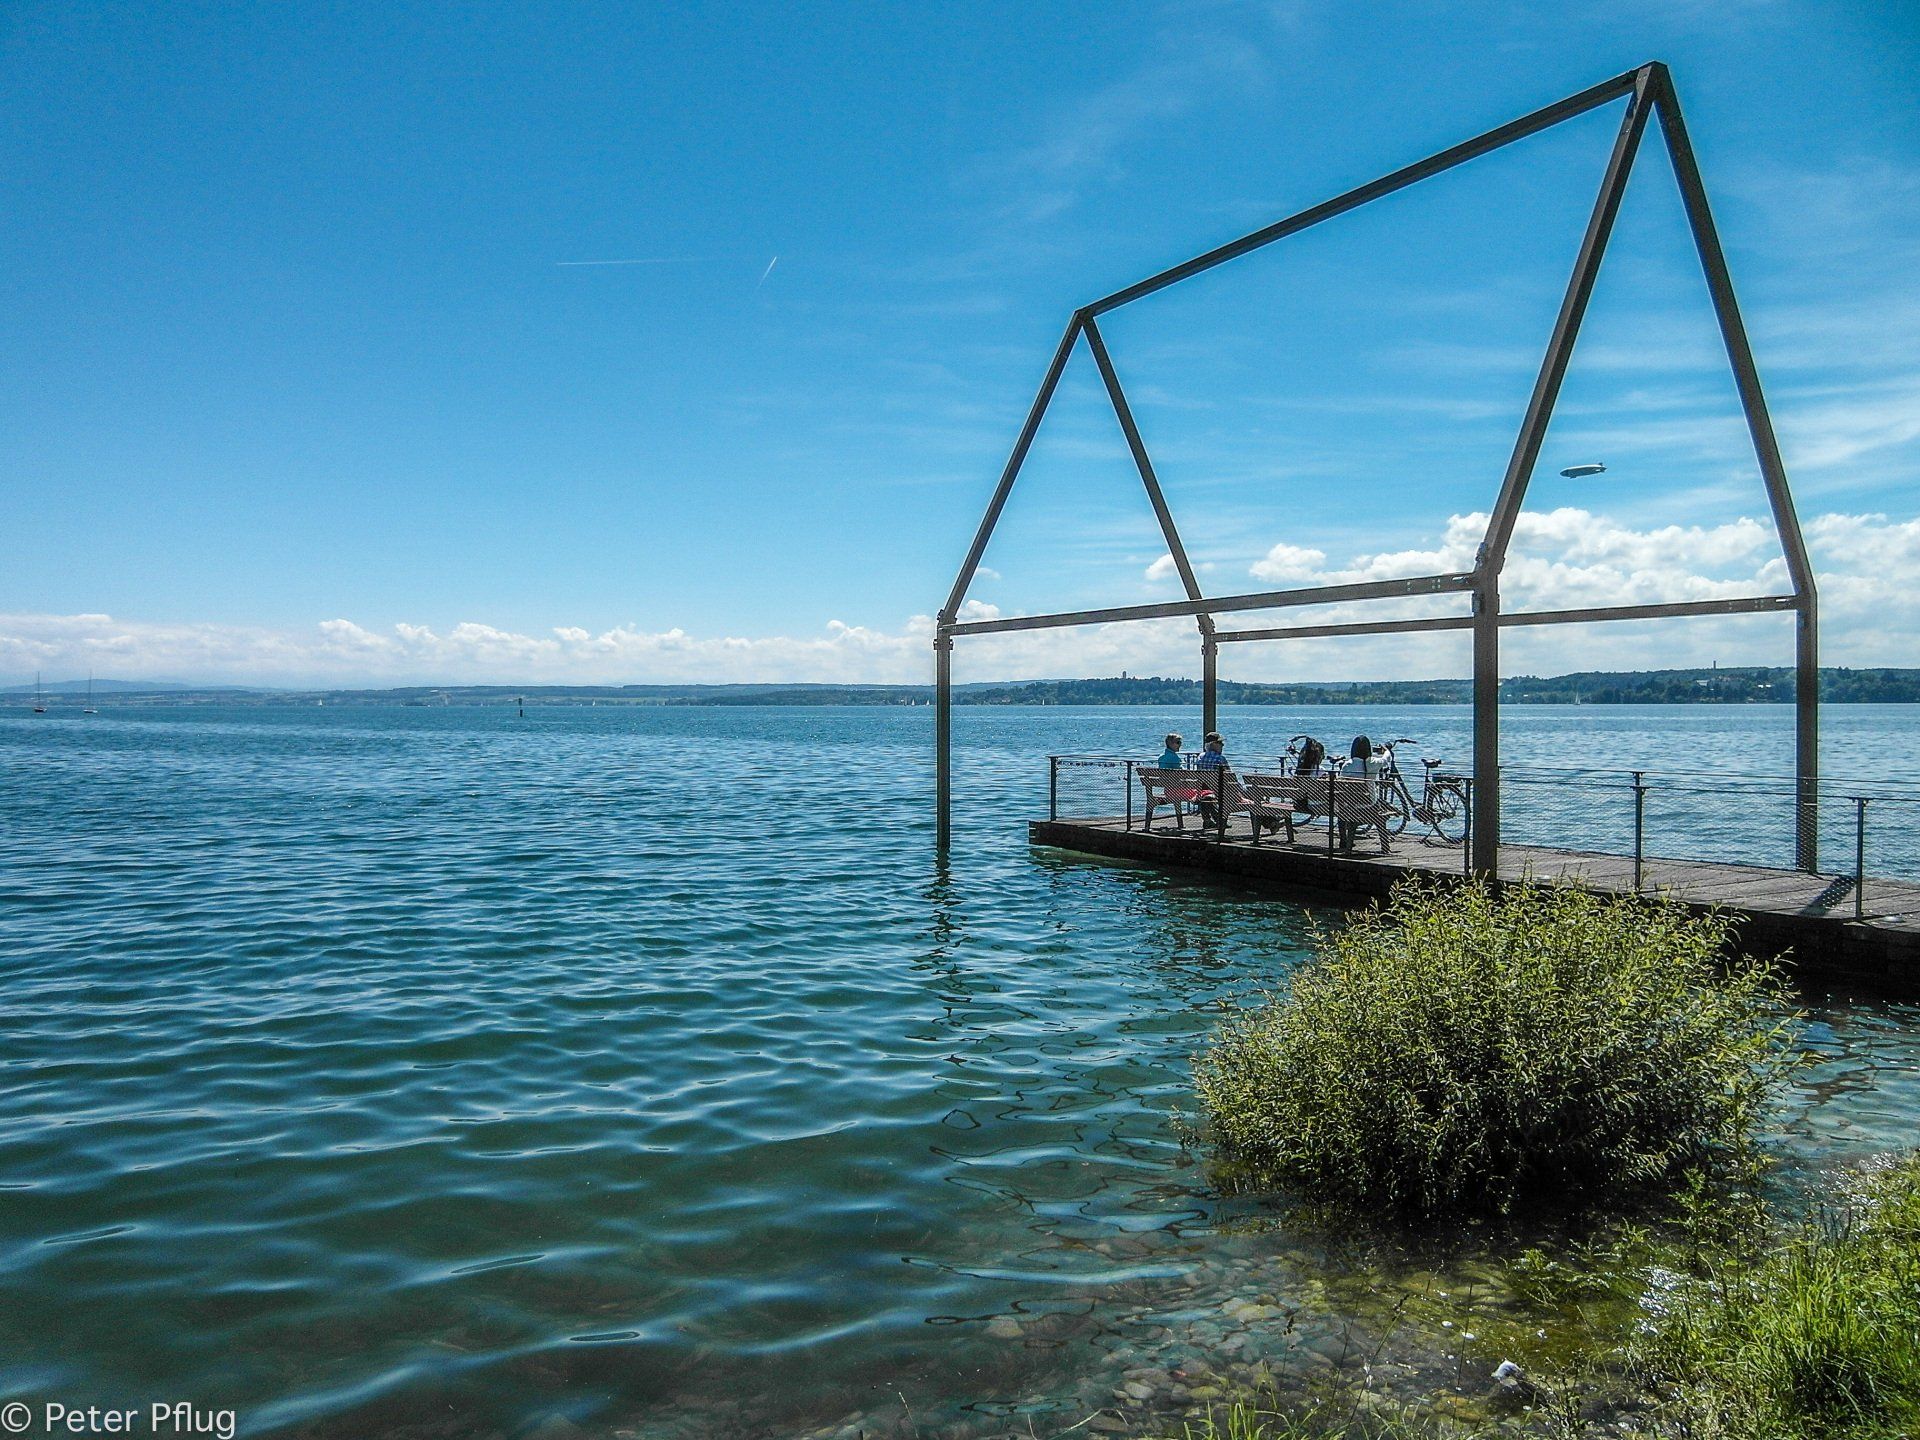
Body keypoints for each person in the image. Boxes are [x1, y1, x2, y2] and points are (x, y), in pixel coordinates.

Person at [1337, 734, 1384, 851]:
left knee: (1341, 811)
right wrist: (1386, 750)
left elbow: (1341, 783)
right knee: (1381, 804)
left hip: (1349, 806)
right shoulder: (1373, 763)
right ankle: (1385, 846)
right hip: (1369, 805)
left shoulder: (1347, 764)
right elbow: (1386, 759)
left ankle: (1343, 840)